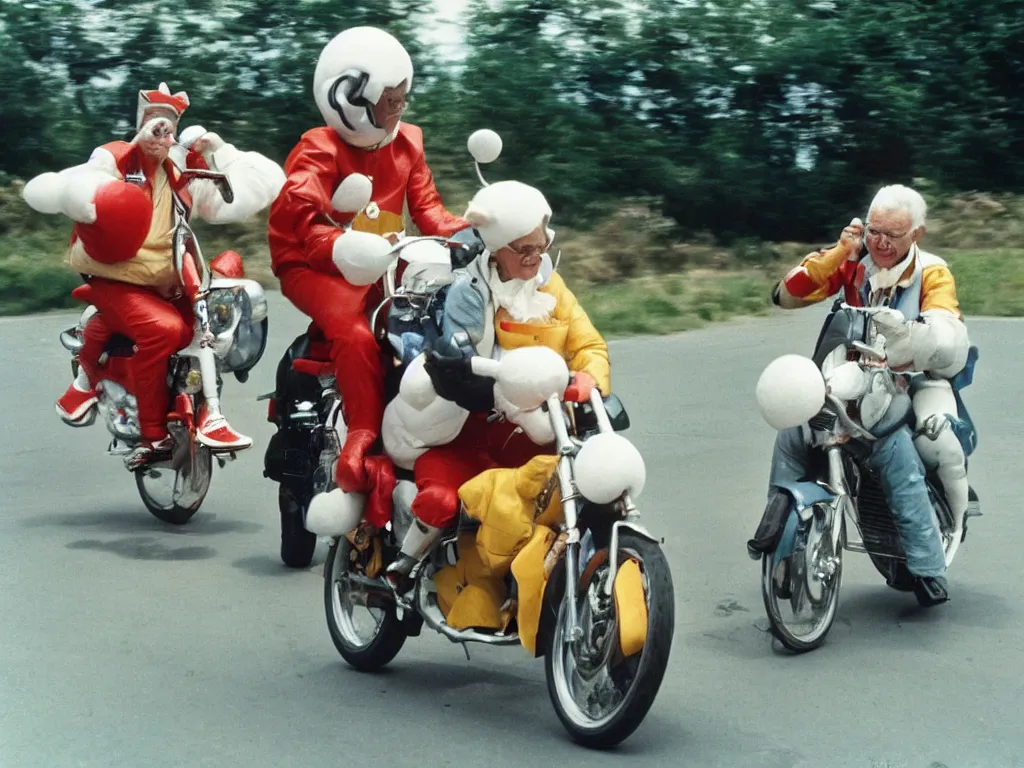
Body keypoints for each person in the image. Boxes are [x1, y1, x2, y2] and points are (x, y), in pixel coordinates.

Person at [384, 179, 611, 630]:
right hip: (464, 419)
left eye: (541, 244)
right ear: (497, 248)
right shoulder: (469, 293)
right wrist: (499, 386)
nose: (535, 257)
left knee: (573, 484)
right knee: (450, 499)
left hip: (534, 419)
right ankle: (403, 568)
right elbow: (458, 361)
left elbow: (588, 342)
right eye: (522, 249)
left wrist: (589, 380)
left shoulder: (552, 287)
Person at [22, 82, 285, 469]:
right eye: (154, 121)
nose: (162, 131)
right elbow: (86, 179)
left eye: (170, 123)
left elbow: (240, 196)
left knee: (206, 322)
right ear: (140, 121)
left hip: (167, 276)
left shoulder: (181, 172)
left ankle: (209, 411)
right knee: (166, 331)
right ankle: (150, 435)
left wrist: (220, 151)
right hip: (115, 277)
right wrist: (93, 195)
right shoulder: (116, 158)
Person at [267, 26, 473, 501]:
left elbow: (430, 212)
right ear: (351, 99)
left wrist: (477, 232)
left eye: (404, 96)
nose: (400, 107)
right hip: (312, 264)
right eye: (390, 99)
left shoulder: (409, 143)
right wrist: (341, 245)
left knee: (438, 320)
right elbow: (299, 218)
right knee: (355, 332)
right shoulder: (320, 147)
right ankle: (361, 434)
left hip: (386, 260)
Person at [762, 183, 971, 606]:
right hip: (849, 377)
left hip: (913, 379)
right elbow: (787, 294)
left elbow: (950, 338)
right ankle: (780, 550)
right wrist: (839, 254)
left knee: (906, 450)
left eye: (892, 235)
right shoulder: (853, 264)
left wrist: (909, 336)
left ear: (917, 235)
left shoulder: (932, 272)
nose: (880, 243)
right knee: (792, 436)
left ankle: (929, 565)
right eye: (874, 231)